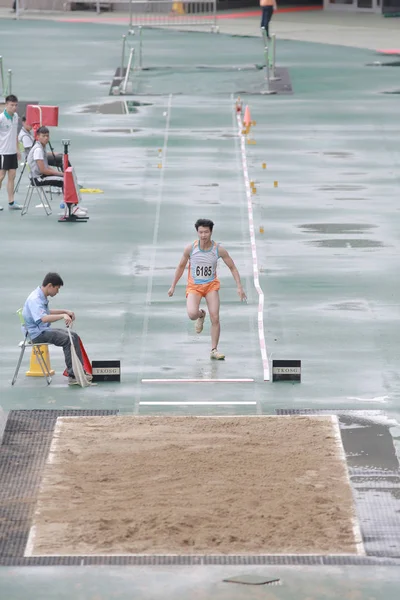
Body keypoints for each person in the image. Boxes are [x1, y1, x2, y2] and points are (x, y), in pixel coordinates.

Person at [168, 219, 247, 360]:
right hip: (194, 286)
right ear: (197, 232)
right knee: (192, 314)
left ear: (211, 232)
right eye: (201, 232)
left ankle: (214, 349)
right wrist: (173, 286)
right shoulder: (190, 249)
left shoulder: (218, 250)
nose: (203, 235)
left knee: (215, 317)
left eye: (206, 232)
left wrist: (239, 287)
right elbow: (180, 267)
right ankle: (200, 315)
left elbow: (233, 268)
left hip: (211, 286)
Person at [22, 272, 92, 386]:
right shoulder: (35, 299)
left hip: (42, 330)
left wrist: (65, 311)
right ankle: (73, 375)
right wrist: (62, 316)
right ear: (50, 286)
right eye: (57, 288)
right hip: (36, 334)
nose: (57, 292)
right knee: (67, 339)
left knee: (73, 336)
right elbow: (44, 318)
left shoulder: (40, 295)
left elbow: (46, 312)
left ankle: (79, 371)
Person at [0, 94, 22, 211]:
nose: (14, 107)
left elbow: (15, 135)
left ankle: (11, 202)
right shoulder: (1, 118)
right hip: (2, 152)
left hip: (12, 152)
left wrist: (17, 149)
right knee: (1, 176)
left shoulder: (16, 117)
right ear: (6, 105)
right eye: (12, 105)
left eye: (16, 105)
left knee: (12, 176)